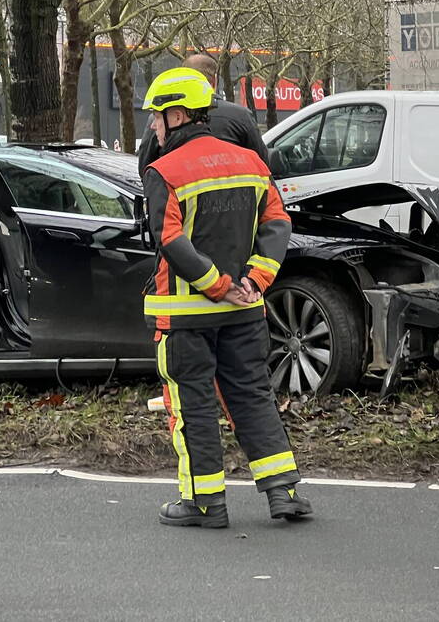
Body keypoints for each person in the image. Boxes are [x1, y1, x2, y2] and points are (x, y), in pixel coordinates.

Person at [140, 67, 311, 528]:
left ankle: (204, 503)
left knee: (193, 405)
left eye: (156, 118)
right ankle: (284, 492)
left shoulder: (164, 171)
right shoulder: (251, 163)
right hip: (246, 310)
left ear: (177, 115)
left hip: (186, 318)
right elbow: (277, 224)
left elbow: (170, 240)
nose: (153, 128)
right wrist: (255, 281)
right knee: (253, 396)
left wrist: (216, 284)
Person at [137, 53, 268, 181]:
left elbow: (145, 167)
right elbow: (262, 164)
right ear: (215, 80)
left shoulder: (164, 119)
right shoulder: (241, 116)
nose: (155, 124)